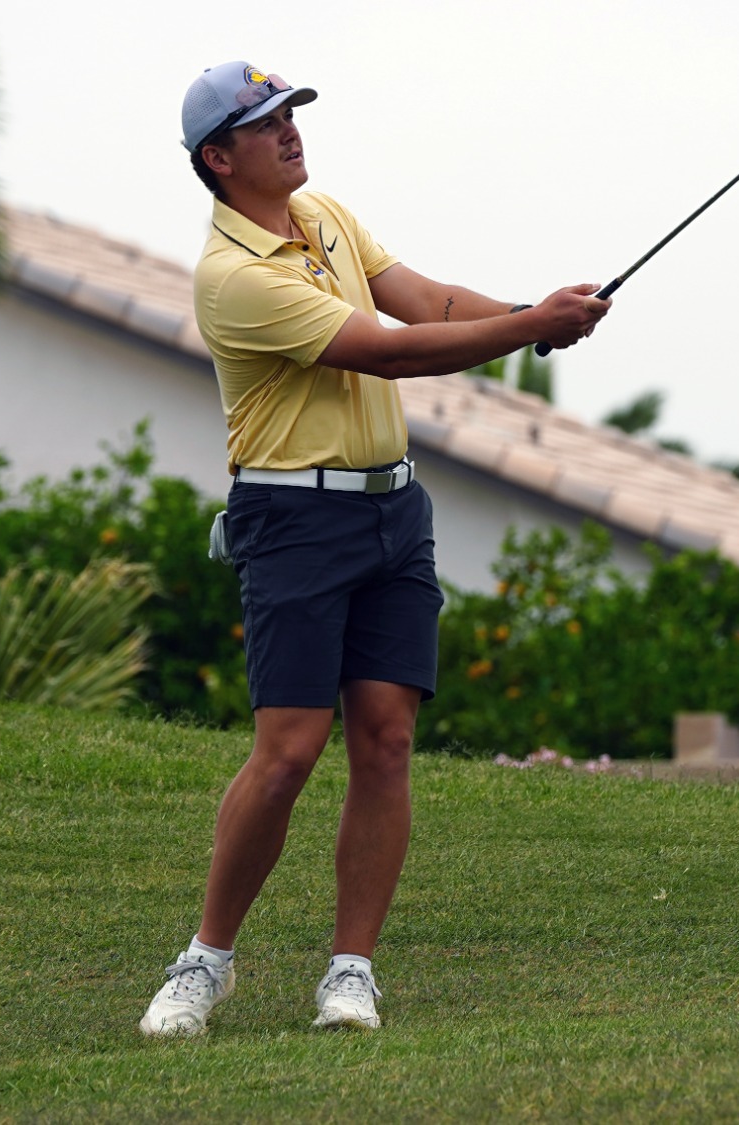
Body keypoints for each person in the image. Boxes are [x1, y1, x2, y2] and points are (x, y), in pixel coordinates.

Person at [139, 61, 611, 1038]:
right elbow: (383, 351)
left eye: (289, 114)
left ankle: (349, 971)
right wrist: (527, 328)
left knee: (386, 743)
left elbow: (425, 305)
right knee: (286, 753)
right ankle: (207, 958)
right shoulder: (230, 278)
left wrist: (527, 317)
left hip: (394, 512)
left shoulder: (327, 219)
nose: (289, 131)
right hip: (292, 523)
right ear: (218, 159)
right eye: (264, 123)